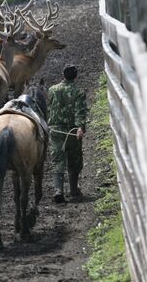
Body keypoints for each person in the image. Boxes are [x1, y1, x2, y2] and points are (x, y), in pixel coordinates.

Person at [48, 64, 87, 203]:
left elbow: (50, 107)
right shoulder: (79, 92)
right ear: (75, 76)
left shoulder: (52, 90)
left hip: (56, 130)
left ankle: (59, 190)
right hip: (72, 131)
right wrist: (80, 128)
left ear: (63, 75)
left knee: (58, 158)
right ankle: (74, 190)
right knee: (74, 159)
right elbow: (80, 111)